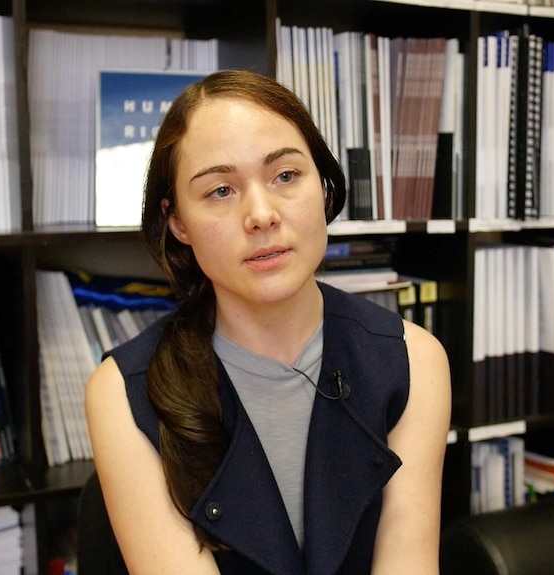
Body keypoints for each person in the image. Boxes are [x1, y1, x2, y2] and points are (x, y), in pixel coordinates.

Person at [85, 69, 451, 574]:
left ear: (322, 187)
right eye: (220, 191)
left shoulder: (412, 360)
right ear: (178, 223)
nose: (261, 214)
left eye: (285, 176)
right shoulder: (123, 393)